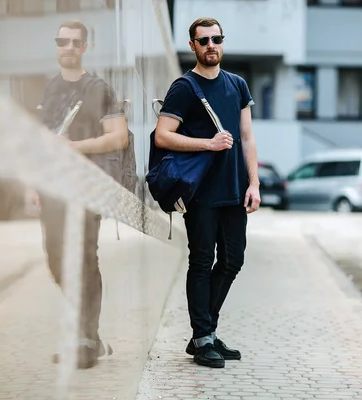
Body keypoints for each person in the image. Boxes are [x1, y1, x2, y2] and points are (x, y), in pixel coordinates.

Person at [154, 17, 261, 369]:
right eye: (203, 41)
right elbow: (162, 135)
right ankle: (203, 337)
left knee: (233, 261)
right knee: (201, 261)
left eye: (216, 39)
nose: (211, 45)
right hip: (200, 192)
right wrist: (208, 143)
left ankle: (206, 332)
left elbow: (247, 137)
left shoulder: (238, 85)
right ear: (193, 46)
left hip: (234, 189)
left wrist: (254, 184)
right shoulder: (184, 87)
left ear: (222, 42)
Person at [36, 20, 128, 369]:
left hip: (89, 186)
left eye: (75, 42)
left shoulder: (99, 88)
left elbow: (118, 136)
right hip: (53, 189)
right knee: (57, 261)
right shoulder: (49, 90)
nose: (68, 47)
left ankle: (86, 338)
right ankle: (87, 331)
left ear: (85, 47)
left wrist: (74, 146)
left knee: (85, 259)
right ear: (57, 45)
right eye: (62, 41)